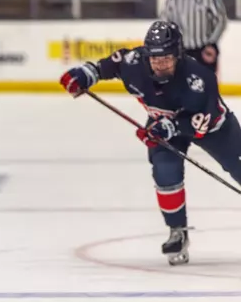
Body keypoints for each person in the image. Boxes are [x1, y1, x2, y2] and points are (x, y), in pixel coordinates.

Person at [60, 20, 240, 266]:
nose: (160, 64)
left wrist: (169, 127)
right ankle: (177, 231)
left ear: (178, 55)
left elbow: (203, 123)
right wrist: (86, 74)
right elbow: (109, 65)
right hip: (162, 126)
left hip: (213, 129)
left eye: (166, 58)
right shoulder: (134, 63)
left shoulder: (199, 78)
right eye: (155, 58)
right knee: (165, 172)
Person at [160, 0, 227, 73]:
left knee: (204, 81)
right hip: (180, 50)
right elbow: (165, 19)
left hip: (203, 50)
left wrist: (212, 42)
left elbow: (221, 20)